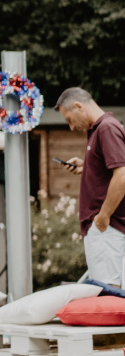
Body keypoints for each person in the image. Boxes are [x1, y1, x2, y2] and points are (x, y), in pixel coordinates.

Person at [57, 87, 125, 285]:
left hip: (107, 227)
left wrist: (103, 217)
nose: (71, 127)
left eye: (69, 119)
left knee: (109, 292)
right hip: (107, 228)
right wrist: (86, 166)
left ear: (79, 106)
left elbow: (122, 175)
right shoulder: (100, 129)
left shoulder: (106, 128)